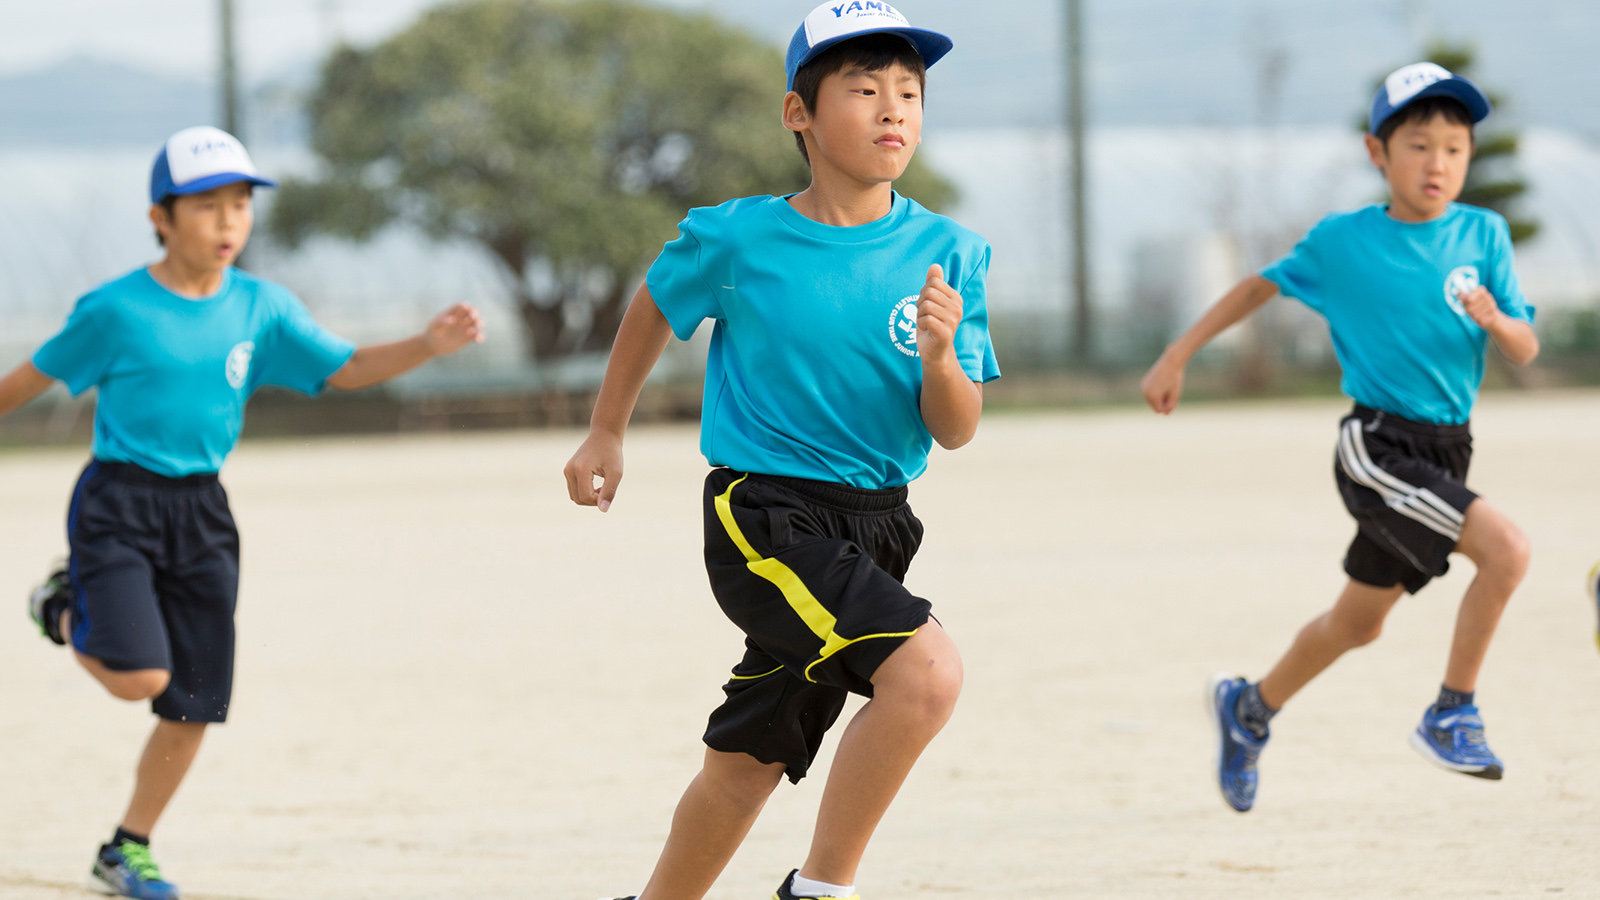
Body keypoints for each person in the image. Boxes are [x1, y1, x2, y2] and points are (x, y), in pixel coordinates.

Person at [564, 4, 999, 898]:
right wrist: (608, 425)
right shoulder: (738, 238)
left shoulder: (948, 253)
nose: (893, 110)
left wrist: (943, 356)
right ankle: (822, 888)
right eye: (865, 88)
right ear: (799, 114)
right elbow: (654, 300)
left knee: (749, 759)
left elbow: (955, 428)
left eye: (909, 92)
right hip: (765, 515)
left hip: (879, 523)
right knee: (927, 675)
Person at [8, 125, 484, 898]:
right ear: (160, 217)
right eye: (206, 207)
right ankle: (61, 605)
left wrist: (427, 343)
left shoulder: (264, 307)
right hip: (118, 502)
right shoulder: (115, 309)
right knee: (139, 678)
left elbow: (351, 368)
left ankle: (127, 848)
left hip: (202, 511)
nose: (228, 223)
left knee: (192, 700)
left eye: (240, 205)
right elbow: (22, 385)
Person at [1140, 62, 1538, 813]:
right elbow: (1257, 285)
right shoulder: (1343, 242)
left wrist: (1497, 322)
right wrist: (1177, 354)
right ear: (1377, 153)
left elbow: (1524, 347)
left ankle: (1250, 706)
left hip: (1449, 445)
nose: (1439, 162)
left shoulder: (1484, 233)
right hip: (1379, 447)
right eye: (1419, 145)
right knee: (1507, 549)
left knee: (1359, 623)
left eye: (1455, 147)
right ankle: (1452, 712)